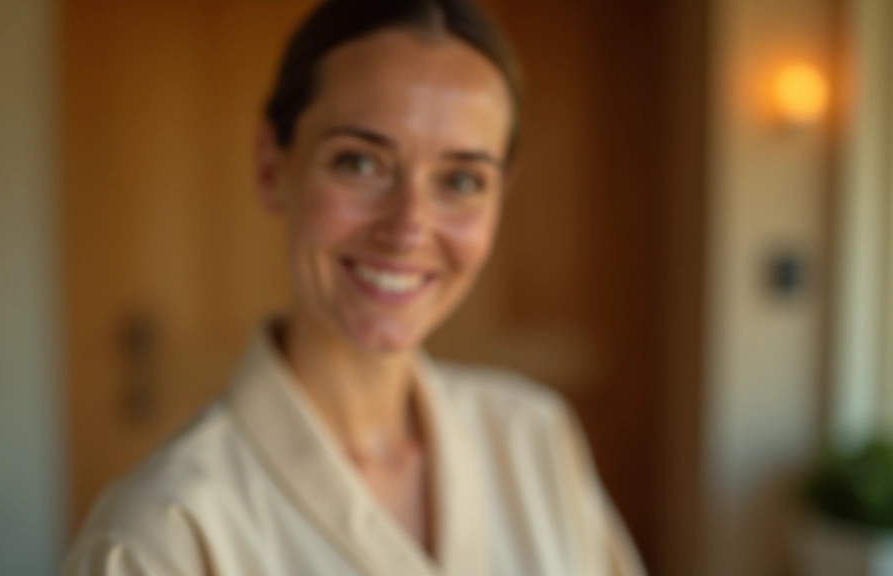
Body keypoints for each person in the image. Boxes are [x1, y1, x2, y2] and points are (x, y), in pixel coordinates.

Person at [63, 0, 645, 574]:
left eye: (462, 180)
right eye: (360, 164)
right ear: (271, 167)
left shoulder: (535, 441)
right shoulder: (162, 534)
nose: (408, 228)